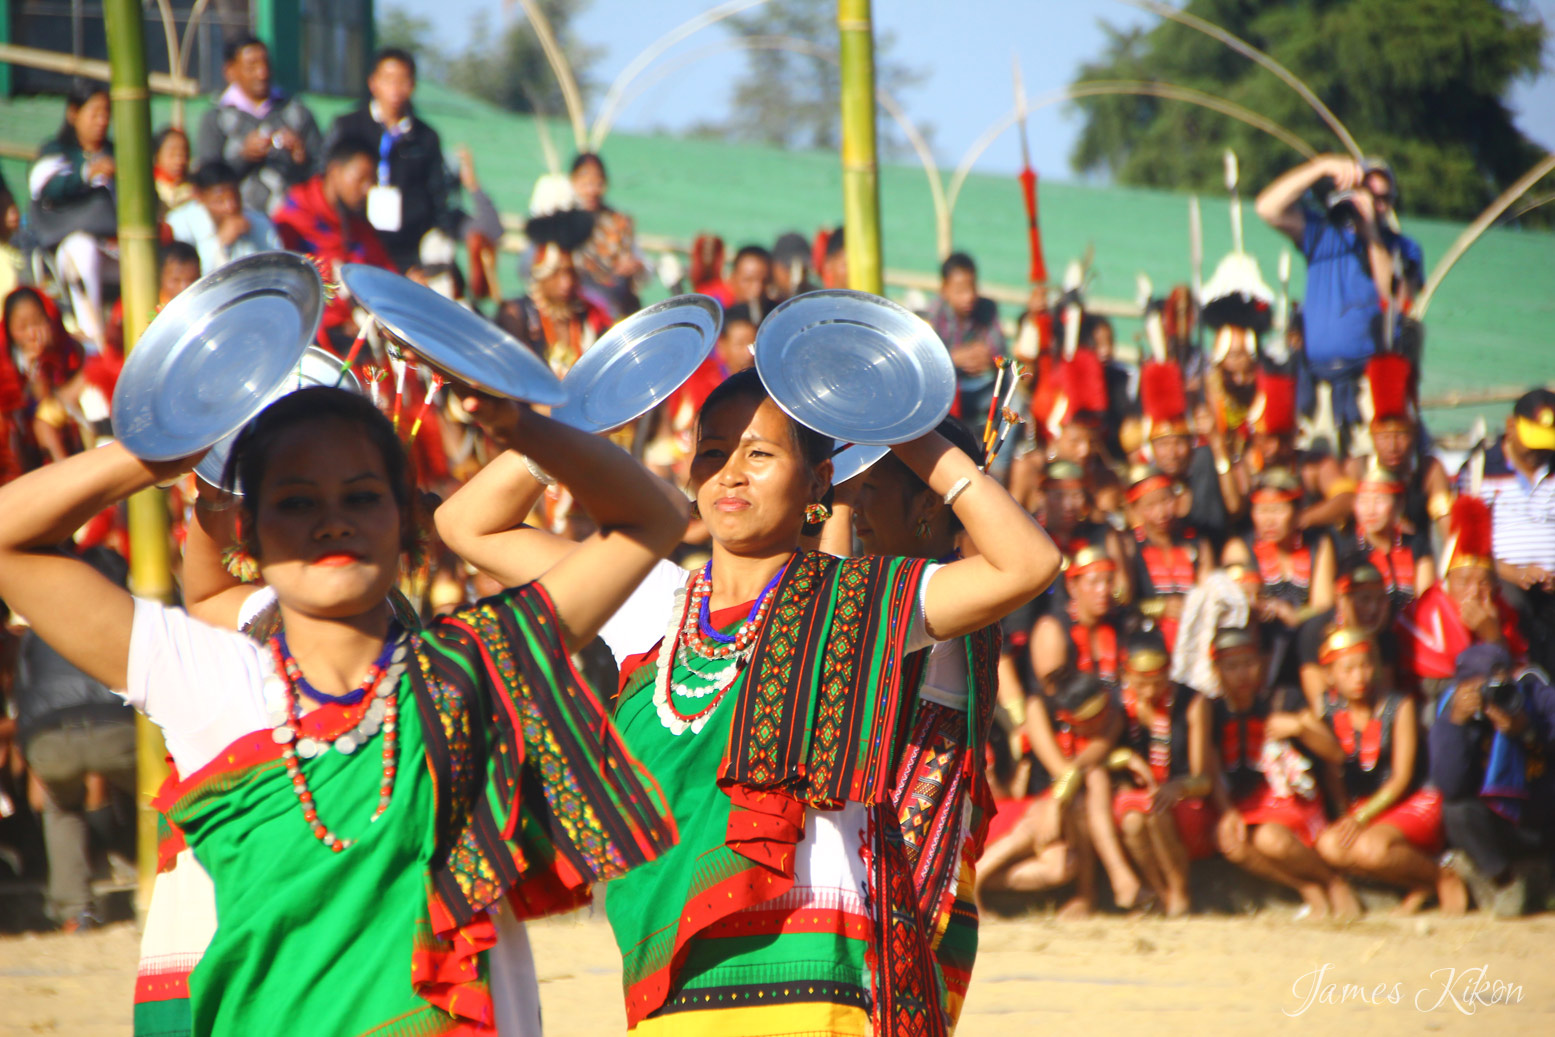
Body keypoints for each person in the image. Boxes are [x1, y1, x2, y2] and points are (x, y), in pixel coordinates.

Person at [0, 384, 685, 1035]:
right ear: (249, 534)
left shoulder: (473, 668)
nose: (332, 521)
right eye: (295, 503)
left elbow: (650, 519)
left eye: (361, 497)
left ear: (405, 523)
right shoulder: (211, 680)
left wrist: (521, 428)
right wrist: (158, 452)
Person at [437, 366, 1060, 1034]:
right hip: (673, 989)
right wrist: (583, 412)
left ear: (820, 481)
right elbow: (469, 525)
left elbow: (1025, 564)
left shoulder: (863, 600)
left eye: (759, 453)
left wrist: (900, 426)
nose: (730, 472)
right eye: (712, 452)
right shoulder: (650, 600)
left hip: (822, 988)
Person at [827, 416, 1001, 1019]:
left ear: (927, 500)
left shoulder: (932, 598)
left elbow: (831, 616)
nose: (853, 507)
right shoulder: (936, 586)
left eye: (867, 488)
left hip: (911, 890)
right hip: (909, 881)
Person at [12, 543, 135, 931]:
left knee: (61, 807)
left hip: (48, 736)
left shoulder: (40, 621)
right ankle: (173, 885)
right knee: (169, 795)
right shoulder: (129, 612)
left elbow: (24, 688)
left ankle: (73, 910)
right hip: (116, 728)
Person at [1255, 155, 1423, 430]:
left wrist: (1371, 233)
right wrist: (1320, 167)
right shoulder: (1324, 234)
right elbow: (1267, 208)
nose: (1376, 205)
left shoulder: (1401, 248)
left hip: (1368, 383)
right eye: (1369, 195)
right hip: (1318, 382)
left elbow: (1396, 298)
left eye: (1384, 199)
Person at [1311, 627, 1466, 914]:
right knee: (1331, 846)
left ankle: (1440, 876)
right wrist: (1347, 815)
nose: (1360, 676)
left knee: (1370, 848)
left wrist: (1361, 818)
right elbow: (1333, 773)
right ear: (1330, 676)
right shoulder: (1329, 713)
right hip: (1365, 807)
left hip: (1410, 798)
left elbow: (1402, 777)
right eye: (1349, 670)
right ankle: (1418, 884)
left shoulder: (1400, 705)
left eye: (1366, 665)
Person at [1205, 627, 1357, 919]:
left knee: (1269, 839)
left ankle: (1332, 881)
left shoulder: (1284, 699)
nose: (1242, 674)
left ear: (1261, 663)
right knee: (1232, 844)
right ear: (1217, 670)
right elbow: (1211, 766)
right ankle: (1307, 887)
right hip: (1245, 805)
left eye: (1248, 664)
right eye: (1232, 666)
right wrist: (1226, 811)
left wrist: (1299, 727)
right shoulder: (1212, 711)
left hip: (1289, 802)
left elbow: (1335, 752)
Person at [975, 669, 1113, 917]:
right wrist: (1053, 804)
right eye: (1088, 721)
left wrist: (1055, 803)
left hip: (1055, 808)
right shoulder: (1038, 708)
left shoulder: (1111, 716)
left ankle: (969, 882)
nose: (1097, 724)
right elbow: (1064, 772)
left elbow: (1083, 765)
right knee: (1042, 815)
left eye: (1100, 716)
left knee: (1060, 868)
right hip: (1017, 810)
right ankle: (975, 879)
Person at [1431, 644, 1555, 917]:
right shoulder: (1450, 714)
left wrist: (1528, 731)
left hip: (1543, 812)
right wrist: (1457, 723)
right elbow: (1451, 786)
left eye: (1502, 681)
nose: (1495, 694)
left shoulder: (1534, 695)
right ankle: (1504, 882)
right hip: (1498, 825)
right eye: (1485, 687)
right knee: (1456, 810)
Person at [325, 48, 458, 272]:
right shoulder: (348, 126)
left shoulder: (425, 137)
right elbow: (326, 181)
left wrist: (436, 238)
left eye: (402, 81)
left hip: (409, 246)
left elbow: (437, 194)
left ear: (413, 85)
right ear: (373, 83)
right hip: (355, 239)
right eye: (388, 80)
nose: (395, 89)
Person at [1110, 637, 1215, 916]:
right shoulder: (1114, 701)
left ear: (1169, 673)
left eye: (1157, 682)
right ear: (1125, 675)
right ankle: (1158, 892)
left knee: (1157, 810)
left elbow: (1203, 779)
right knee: (1134, 821)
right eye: (1140, 683)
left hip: (1183, 798)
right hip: (1134, 797)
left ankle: (1180, 891)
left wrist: (1176, 787)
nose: (1149, 691)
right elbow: (1100, 753)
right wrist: (1127, 759)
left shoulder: (1192, 702)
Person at [1458, 388, 1555, 676]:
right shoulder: (1480, 469)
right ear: (1510, 426)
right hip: (1504, 583)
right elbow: (1469, 545)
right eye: (1532, 441)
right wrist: (1514, 573)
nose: (1538, 450)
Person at [1397, 496, 1527, 699]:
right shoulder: (1420, 617)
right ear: (1447, 583)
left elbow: (1515, 679)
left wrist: (1493, 637)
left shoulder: (1504, 616)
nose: (1475, 591)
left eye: (1483, 582)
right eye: (1464, 582)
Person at [272, 137, 394, 352]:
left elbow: (383, 274)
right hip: (310, 338)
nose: (367, 189)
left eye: (372, 180)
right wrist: (334, 321)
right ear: (335, 171)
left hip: (360, 330)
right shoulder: (293, 218)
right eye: (361, 178)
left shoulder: (356, 225)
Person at [28, 81, 118, 350]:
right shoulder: (56, 152)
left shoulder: (115, 152)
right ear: (74, 114)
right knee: (82, 248)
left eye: (106, 113)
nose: (102, 121)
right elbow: (44, 188)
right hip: (67, 250)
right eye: (95, 113)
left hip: (116, 247)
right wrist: (85, 174)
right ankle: (96, 345)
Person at [195, 35, 322, 216]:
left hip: (293, 221)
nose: (262, 73)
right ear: (230, 71)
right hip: (241, 222)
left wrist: (301, 158)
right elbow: (208, 179)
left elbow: (322, 170)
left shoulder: (297, 113)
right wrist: (243, 157)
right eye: (251, 66)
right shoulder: (215, 119)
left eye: (266, 64)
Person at [497, 209, 611, 376]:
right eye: (557, 273)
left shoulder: (592, 317)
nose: (566, 283)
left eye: (571, 273)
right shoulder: (516, 314)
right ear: (541, 273)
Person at [925, 252, 1008, 448]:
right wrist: (953, 358)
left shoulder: (987, 308)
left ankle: (999, 463)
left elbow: (1001, 354)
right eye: (961, 290)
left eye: (972, 288)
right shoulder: (933, 314)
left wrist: (989, 358)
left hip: (980, 386)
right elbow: (927, 362)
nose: (969, 297)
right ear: (944, 289)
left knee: (1013, 398)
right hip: (949, 390)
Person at [1125, 465, 1212, 651]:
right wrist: (1159, 608)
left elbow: (1210, 592)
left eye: (1166, 501)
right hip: (1150, 643)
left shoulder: (1197, 543)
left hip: (1196, 640)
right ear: (1135, 510)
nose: (1161, 512)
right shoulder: (1131, 548)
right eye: (1150, 506)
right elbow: (1124, 601)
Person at [1, 286, 85, 475]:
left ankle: (67, 475)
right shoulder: (6, 361)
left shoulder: (63, 348)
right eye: (22, 327)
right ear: (9, 329)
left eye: (38, 322)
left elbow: (48, 398)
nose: (32, 333)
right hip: (22, 435)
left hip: (61, 420)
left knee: (44, 423)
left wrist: (43, 364)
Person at [1031, 544, 1125, 687]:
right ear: (1072, 586)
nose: (1103, 590)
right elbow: (1053, 692)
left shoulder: (1120, 623)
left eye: (1109, 581)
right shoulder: (1053, 628)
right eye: (1094, 582)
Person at [166, 160, 281, 275]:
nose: (230, 207)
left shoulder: (258, 220)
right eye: (220, 201)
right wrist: (221, 243)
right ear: (200, 196)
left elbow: (276, 265)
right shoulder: (180, 223)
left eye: (236, 199)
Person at [1349, 460, 1433, 609]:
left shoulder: (1416, 546)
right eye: (1363, 500)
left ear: (1399, 504)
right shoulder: (1348, 550)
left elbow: (1427, 602)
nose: (1370, 509)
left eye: (1379, 500)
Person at [570, 153, 645, 318]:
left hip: (616, 305)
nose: (591, 190)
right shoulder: (562, 221)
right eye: (585, 183)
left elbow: (640, 262)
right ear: (573, 182)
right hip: (576, 306)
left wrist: (634, 266)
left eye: (597, 183)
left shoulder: (618, 221)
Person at [727, 244, 778, 322]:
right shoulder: (721, 325)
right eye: (748, 280)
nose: (757, 289)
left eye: (764, 281)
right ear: (732, 279)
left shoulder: (778, 318)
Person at [152, 126, 194, 220]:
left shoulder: (194, 188)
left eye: (184, 154)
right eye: (172, 154)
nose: (179, 160)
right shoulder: (151, 185)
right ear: (158, 155)